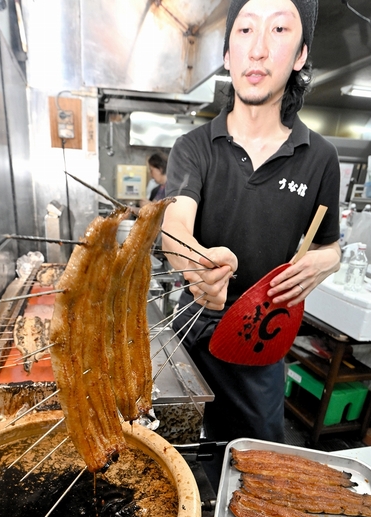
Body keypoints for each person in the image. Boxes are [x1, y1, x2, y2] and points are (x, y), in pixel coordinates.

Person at [162, 0, 341, 489]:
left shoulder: (320, 157)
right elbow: (174, 224)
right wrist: (197, 263)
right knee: (172, 455)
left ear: (301, 54)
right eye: (245, 30)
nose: (258, 48)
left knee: (256, 464)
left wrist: (324, 261)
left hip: (263, 334)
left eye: (279, 29)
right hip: (191, 328)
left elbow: (331, 244)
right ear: (226, 53)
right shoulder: (194, 147)